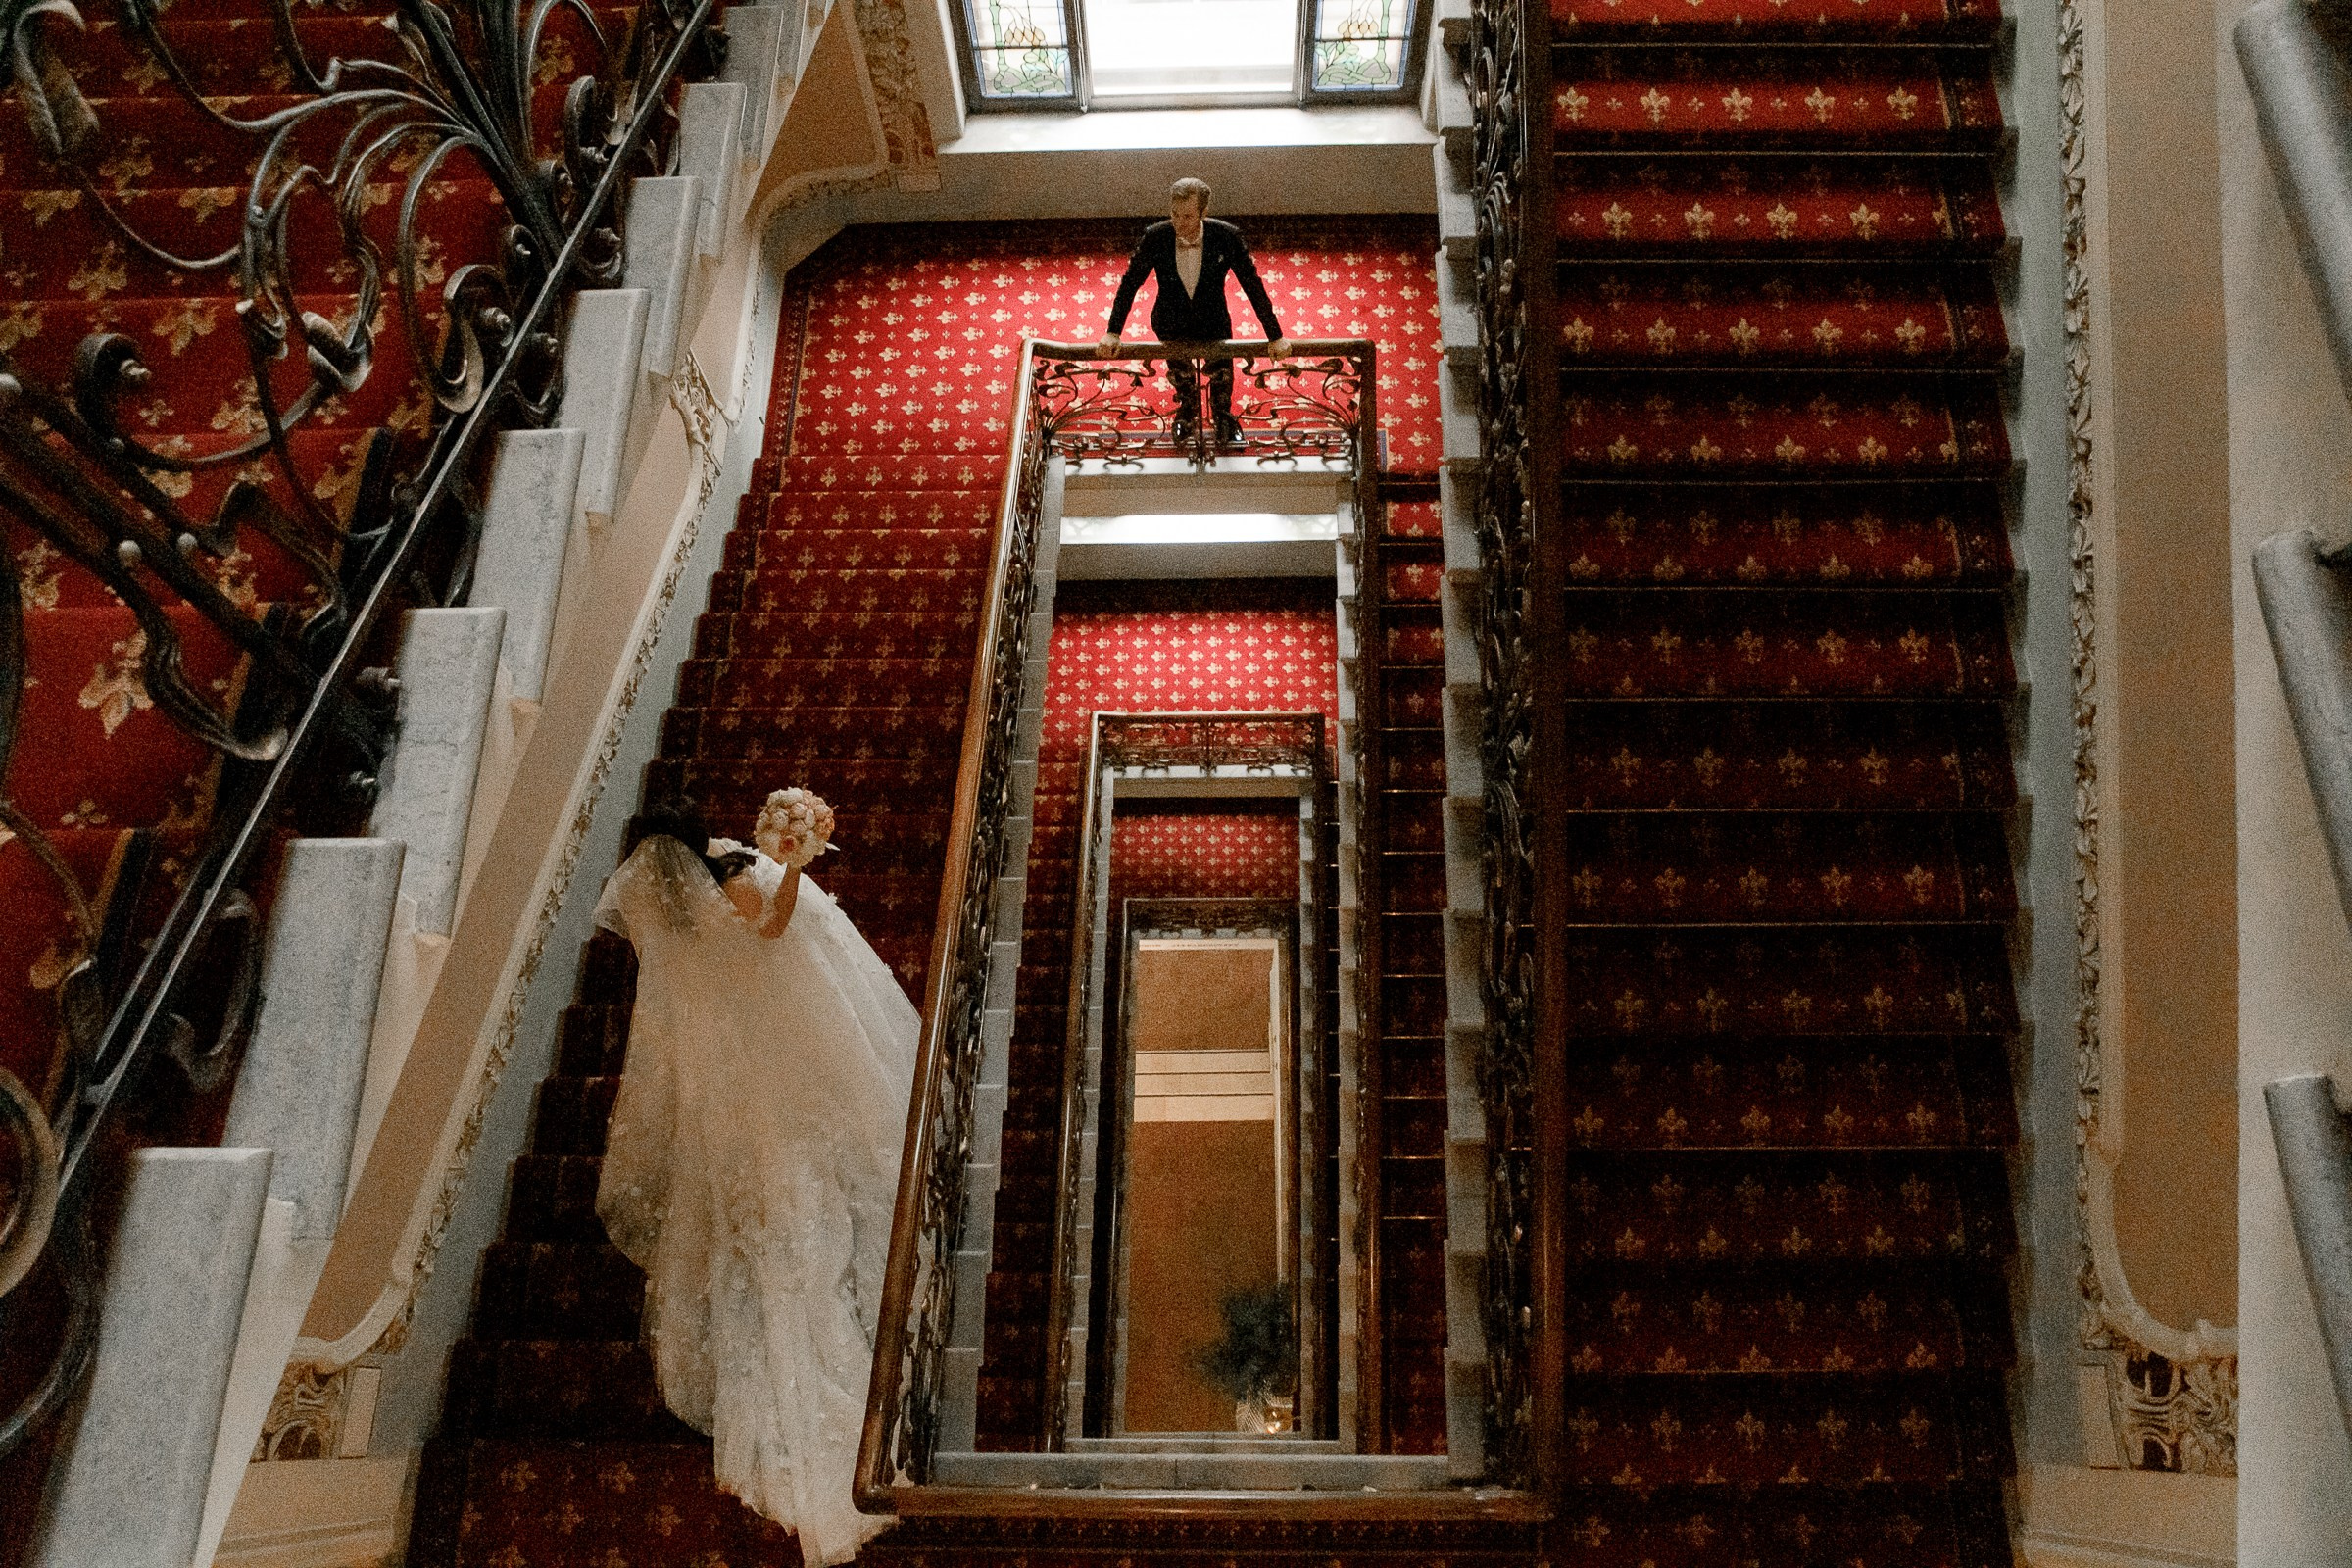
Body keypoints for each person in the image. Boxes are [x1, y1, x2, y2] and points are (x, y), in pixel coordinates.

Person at [591, 797, 917, 1567]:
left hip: (722, 1087)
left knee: (764, 1228)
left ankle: (809, 1433)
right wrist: (795, 872)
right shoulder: (731, 875)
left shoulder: (657, 912)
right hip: (778, 1065)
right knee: (818, 1199)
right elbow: (769, 933)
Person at [1099, 176, 1293, 448]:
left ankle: (1224, 417)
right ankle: (1186, 412)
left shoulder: (1226, 236)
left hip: (1212, 318)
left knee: (1221, 370)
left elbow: (1252, 285)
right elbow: (1130, 283)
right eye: (1174, 214)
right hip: (1170, 319)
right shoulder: (1155, 236)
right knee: (1180, 373)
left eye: (1188, 216)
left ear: (1204, 213)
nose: (1179, 223)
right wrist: (1113, 332)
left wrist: (1275, 335)